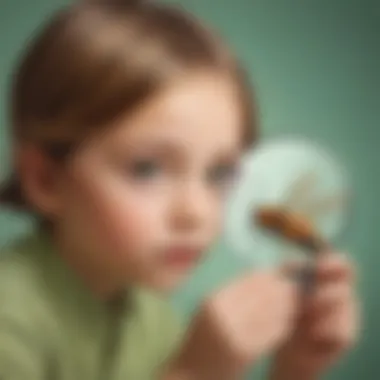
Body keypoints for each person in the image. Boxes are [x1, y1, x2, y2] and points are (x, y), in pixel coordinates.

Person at [0, 0, 360, 379]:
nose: (197, 212)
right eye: (147, 169)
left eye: (219, 175)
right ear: (46, 180)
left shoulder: (151, 318)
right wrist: (192, 372)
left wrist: (295, 368)